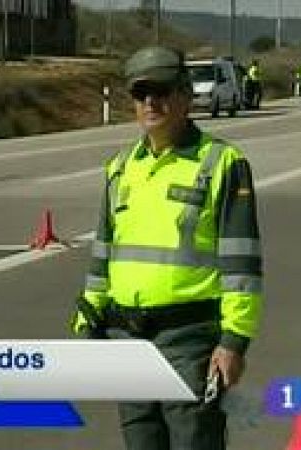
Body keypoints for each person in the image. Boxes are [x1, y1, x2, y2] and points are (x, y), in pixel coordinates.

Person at [71, 46, 263, 450]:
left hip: (190, 341)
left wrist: (234, 342)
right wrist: (88, 319)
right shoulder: (121, 167)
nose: (150, 103)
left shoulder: (222, 163)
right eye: (140, 94)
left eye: (161, 91)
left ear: (185, 95)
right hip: (127, 340)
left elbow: (242, 264)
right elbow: (104, 253)